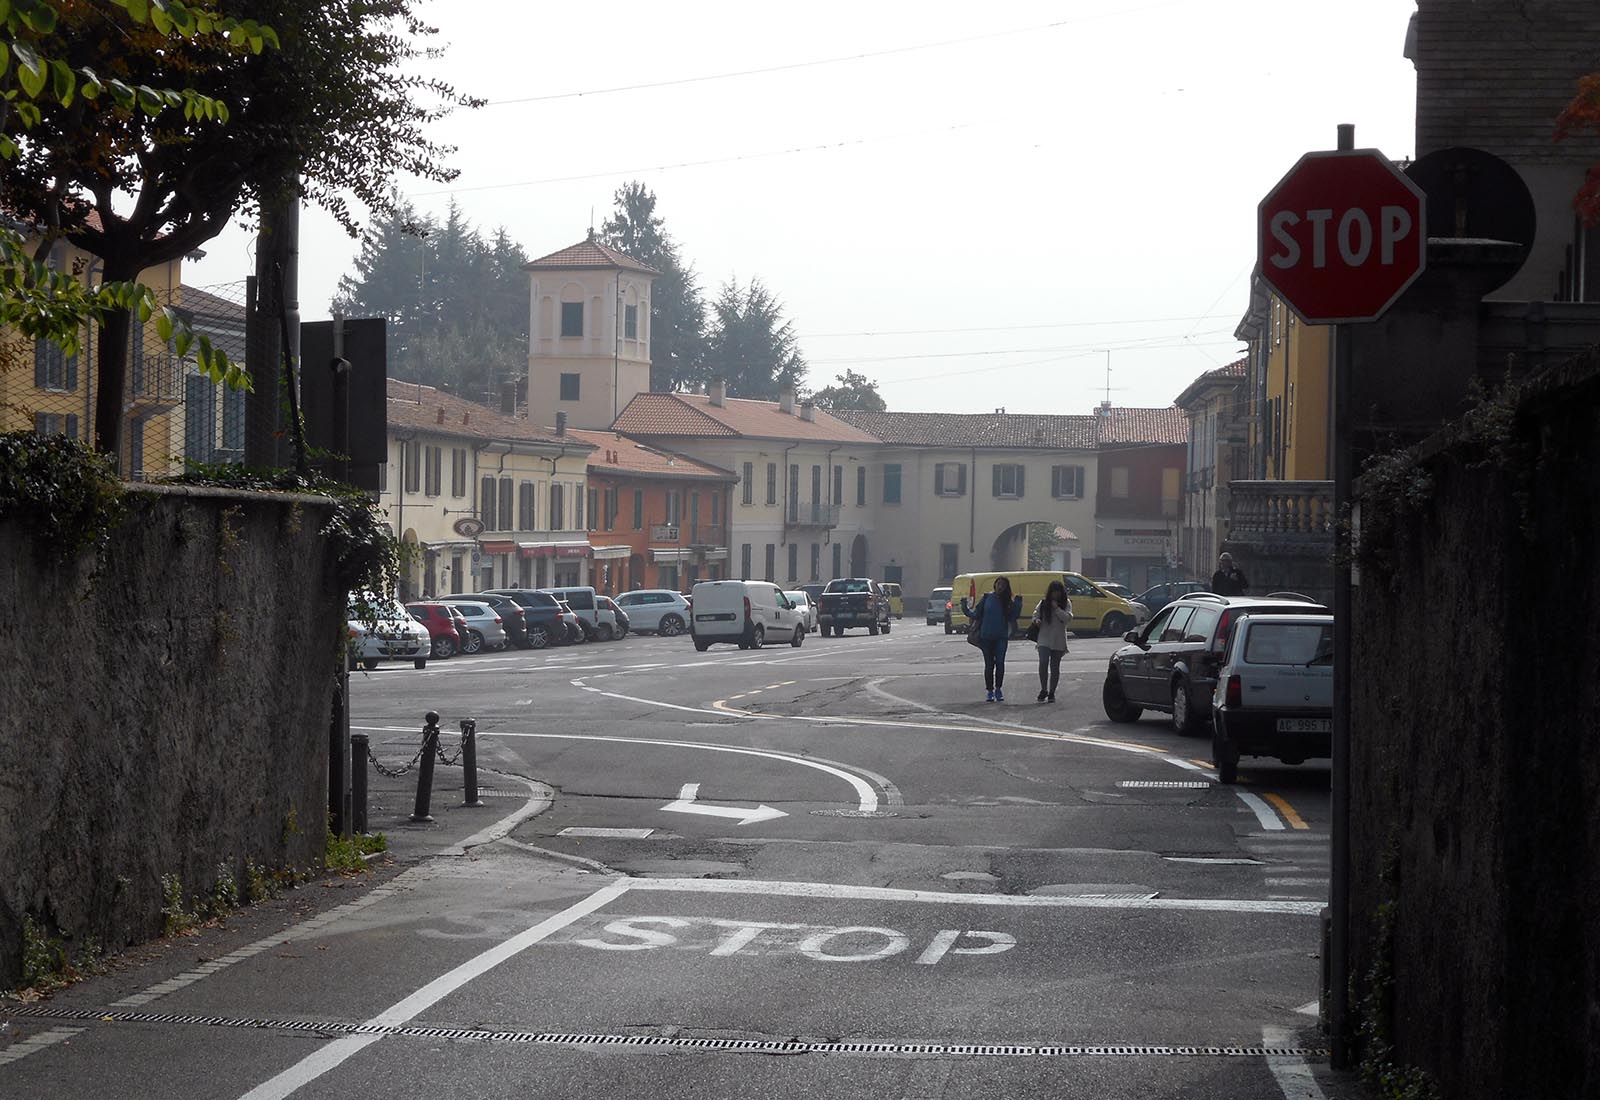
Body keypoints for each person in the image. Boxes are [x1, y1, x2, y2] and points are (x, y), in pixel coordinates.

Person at [966, 577, 1021, 702]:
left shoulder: (1007, 601)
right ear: (995, 585)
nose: (1000, 586)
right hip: (986, 637)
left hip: (1001, 637)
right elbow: (976, 614)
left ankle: (998, 689)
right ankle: (990, 690)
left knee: (1000, 663)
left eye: (1003, 585)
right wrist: (965, 608)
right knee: (989, 664)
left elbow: (1013, 617)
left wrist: (1018, 604)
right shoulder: (987, 598)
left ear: (1006, 588)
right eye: (999, 584)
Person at [1033, 580, 1073, 702]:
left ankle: (1052, 692)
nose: (1056, 595)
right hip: (1044, 637)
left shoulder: (1066, 603)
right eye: (1054, 592)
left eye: (1058, 592)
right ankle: (1043, 689)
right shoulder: (1044, 602)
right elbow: (1035, 614)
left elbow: (1067, 618)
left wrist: (1056, 609)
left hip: (1058, 639)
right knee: (1043, 662)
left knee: (1055, 666)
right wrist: (1036, 621)